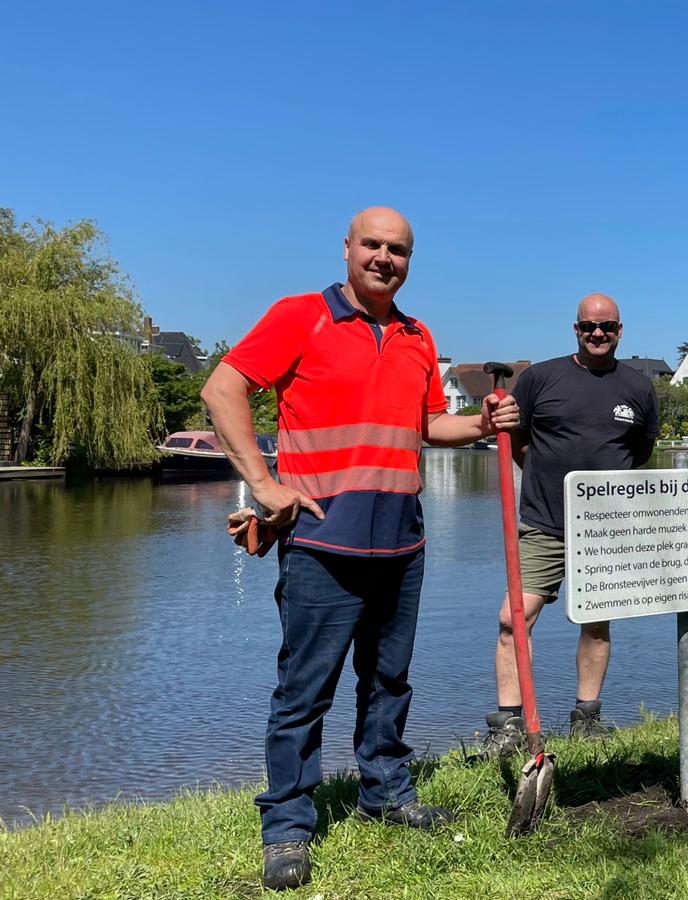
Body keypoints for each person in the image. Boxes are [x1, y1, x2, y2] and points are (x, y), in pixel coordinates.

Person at [201, 207, 520, 891]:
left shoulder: (416, 335)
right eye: (372, 245)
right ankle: (287, 825)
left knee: (389, 682)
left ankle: (385, 794)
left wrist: (483, 422)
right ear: (347, 249)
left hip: (402, 543)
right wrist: (264, 483)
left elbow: (431, 424)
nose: (384, 257)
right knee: (303, 692)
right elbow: (222, 386)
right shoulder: (301, 317)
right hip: (321, 542)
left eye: (398, 249)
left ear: (410, 260)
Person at [479, 293, 660, 755]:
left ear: (621, 331)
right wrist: (544, 479)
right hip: (544, 523)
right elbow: (515, 439)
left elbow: (639, 453)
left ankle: (586, 717)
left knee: (596, 624)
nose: (597, 334)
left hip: (606, 529)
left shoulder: (639, 388)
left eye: (607, 327)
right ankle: (510, 726)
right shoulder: (541, 378)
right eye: (588, 327)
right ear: (575, 330)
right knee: (512, 619)